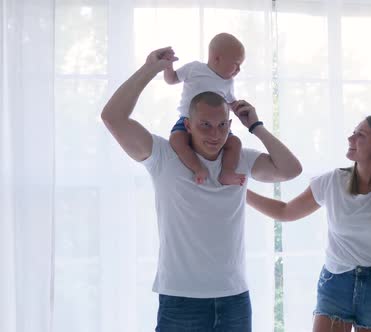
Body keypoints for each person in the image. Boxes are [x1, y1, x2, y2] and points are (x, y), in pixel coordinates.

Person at [101, 46, 302, 332]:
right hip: (181, 300)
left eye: (222, 125)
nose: (215, 134)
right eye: (205, 125)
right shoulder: (164, 155)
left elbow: (291, 169)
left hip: (234, 298)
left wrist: (256, 125)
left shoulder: (241, 158)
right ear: (188, 125)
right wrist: (150, 68)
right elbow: (113, 117)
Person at [247, 115, 371, 332]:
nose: (350, 137)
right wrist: (241, 193)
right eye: (353, 131)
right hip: (336, 282)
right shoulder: (332, 181)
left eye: (361, 135)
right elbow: (285, 211)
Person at [164, 32, 245, 185]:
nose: (239, 70)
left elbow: (231, 103)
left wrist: (240, 108)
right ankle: (197, 168)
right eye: (236, 64)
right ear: (217, 58)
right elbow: (172, 79)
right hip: (187, 120)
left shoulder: (228, 82)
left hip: (218, 125)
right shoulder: (194, 69)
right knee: (176, 140)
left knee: (235, 143)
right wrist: (168, 66)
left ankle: (227, 173)